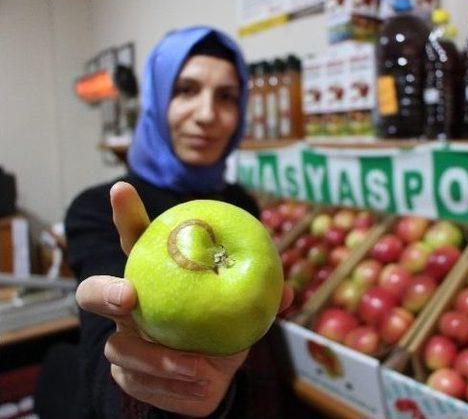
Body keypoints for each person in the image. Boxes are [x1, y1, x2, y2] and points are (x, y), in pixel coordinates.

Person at [61, 26, 294, 418]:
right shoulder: (100, 209)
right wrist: (154, 394)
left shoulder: (240, 204)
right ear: (156, 99)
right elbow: (105, 357)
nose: (207, 115)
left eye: (226, 97)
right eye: (186, 90)